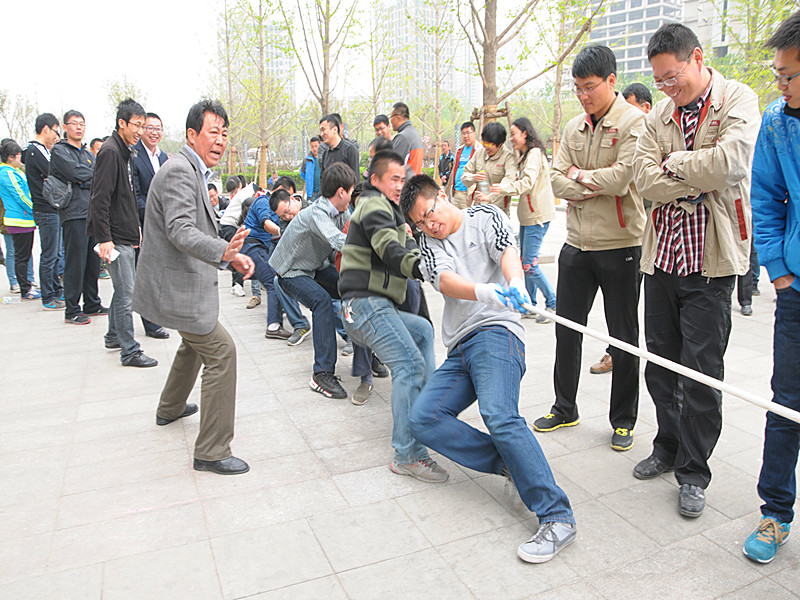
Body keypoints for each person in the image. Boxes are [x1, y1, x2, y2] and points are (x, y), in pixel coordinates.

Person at [400, 174, 577, 563]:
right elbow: (446, 281)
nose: (430, 225)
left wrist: (514, 282)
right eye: (421, 223)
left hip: (497, 332)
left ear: (442, 197)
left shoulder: (485, 216)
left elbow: (506, 251)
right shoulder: (429, 243)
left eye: (430, 214)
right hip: (461, 344)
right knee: (424, 419)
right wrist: (485, 291)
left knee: (499, 415)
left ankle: (556, 515)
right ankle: (511, 463)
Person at [632, 24, 761, 517]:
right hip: (661, 260)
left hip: (710, 266)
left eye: (673, 77)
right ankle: (666, 447)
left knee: (702, 375)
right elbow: (643, 179)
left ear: (697, 59)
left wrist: (676, 165)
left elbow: (730, 163)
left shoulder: (738, 100)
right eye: (659, 81)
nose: (666, 89)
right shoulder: (659, 115)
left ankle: (693, 472)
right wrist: (690, 177)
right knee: (661, 367)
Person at [534, 45, 646, 455]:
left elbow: (621, 179)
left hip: (620, 245)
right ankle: (565, 406)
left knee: (623, 336)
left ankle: (623, 420)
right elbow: (555, 181)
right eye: (578, 88)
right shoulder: (574, 128)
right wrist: (584, 182)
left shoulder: (635, 123)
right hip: (576, 244)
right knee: (568, 329)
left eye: (590, 87)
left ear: (611, 81)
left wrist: (578, 177)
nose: (583, 95)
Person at [133, 99, 254, 475]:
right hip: (175, 286)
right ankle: (212, 451)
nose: (220, 141)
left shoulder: (189, 169)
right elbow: (180, 229)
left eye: (224, 133)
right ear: (191, 135)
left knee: (194, 342)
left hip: (181, 283)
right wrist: (226, 253)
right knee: (221, 352)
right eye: (212, 132)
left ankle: (169, 407)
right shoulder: (180, 171)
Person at [339, 150, 449, 483]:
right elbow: (390, 248)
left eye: (403, 179)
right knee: (409, 365)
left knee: (422, 331)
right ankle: (408, 454)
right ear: (375, 180)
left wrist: (429, 259)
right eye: (394, 179)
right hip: (365, 305)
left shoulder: (392, 212)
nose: (400, 185)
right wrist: (422, 268)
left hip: (376, 307)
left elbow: (409, 247)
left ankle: (429, 413)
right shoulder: (373, 205)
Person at [741, 12, 800, 563]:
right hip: (797, 293)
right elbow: (765, 200)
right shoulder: (779, 123)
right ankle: (775, 513)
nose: (779, 86)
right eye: (777, 75)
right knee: (786, 403)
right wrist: (778, 271)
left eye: (787, 75)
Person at [269, 163, 357, 399]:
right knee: (322, 302)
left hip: (315, 267)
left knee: (353, 289)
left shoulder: (342, 213)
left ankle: (366, 356)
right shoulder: (317, 212)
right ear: (341, 192)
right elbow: (340, 241)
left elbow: (353, 232)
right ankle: (322, 374)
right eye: (350, 191)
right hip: (291, 271)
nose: (351, 197)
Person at [88, 99, 157, 368]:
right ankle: (129, 350)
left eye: (143, 125)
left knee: (122, 289)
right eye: (136, 125)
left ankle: (112, 335)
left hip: (126, 231)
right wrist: (105, 238)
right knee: (127, 291)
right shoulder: (110, 152)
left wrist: (136, 228)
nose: (140, 130)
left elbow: (127, 196)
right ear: (122, 123)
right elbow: (100, 199)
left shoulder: (126, 150)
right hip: (114, 236)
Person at [493, 117, 557, 323]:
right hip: (528, 216)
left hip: (537, 216)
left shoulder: (535, 154)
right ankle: (530, 305)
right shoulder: (524, 155)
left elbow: (527, 182)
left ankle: (553, 303)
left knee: (529, 264)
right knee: (525, 262)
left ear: (525, 134)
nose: (512, 139)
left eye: (514, 134)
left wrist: (503, 188)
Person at [50, 110, 105, 325]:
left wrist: (84, 177)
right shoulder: (59, 151)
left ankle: (92, 303)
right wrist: (85, 177)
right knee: (76, 262)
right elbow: (75, 173)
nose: (79, 127)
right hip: (73, 214)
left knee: (93, 262)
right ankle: (72, 309)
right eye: (74, 123)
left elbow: (96, 176)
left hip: (92, 213)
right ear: (65, 127)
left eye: (82, 123)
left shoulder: (87, 153)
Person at [131, 111, 171, 341]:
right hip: (143, 223)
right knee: (147, 274)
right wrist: (155, 214)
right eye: (150, 128)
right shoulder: (134, 157)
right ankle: (151, 323)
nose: (154, 132)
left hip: (164, 223)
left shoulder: (164, 158)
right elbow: (134, 194)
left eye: (158, 128)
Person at [22, 113, 63, 309]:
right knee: (49, 254)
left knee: (55, 253)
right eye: (55, 131)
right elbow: (53, 172)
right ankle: (48, 296)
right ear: (46, 129)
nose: (56, 136)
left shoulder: (43, 150)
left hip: (53, 208)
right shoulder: (33, 151)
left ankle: (56, 289)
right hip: (45, 209)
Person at [0, 139, 40, 300]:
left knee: (24, 254)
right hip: (18, 219)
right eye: (18, 156)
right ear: (11, 157)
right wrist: (33, 209)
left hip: (24, 219)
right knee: (21, 256)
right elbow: (19, 195)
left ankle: (27, 285)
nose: (20, 159)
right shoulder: (7, 173)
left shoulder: (15, 171)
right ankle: (25, 289)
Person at [460, 122, 516, 215]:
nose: (486, 147)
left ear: (500, 143)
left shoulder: (508, 157)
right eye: (484, 143)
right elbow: (464, 176)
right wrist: (474, 177)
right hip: (479, 208)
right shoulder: (479, 153)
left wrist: (490, 197)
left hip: (498, 211)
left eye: (490, 144)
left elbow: (509, 182)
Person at [318, 114, 359, 179]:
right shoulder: (325, 154)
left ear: (335, 129)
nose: (321, 134)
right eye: (321, 131)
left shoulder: (350, 149)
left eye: (323, 130)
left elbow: (356, 179)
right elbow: (322, 180)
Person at [446, 122, 477, 209]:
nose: (465, 136)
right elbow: (454, 170)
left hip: (468, 194)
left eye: (468, 133)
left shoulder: (479, 150)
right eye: (463, 133)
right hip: (456, 193)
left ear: (474, 133)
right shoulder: (460, 150)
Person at [389, 102, 423, 175]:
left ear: (398, 117)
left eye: (391, 117)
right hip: (415, 183)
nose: (390, 120)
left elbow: (393, 168)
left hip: (405, 184)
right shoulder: (415, 134)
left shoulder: (403, 137)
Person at [300, 136, 321, 201]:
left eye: (316, 146)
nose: (314, 148)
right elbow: (302, 173)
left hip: (323, 192)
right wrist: (308, 179)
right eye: (312, 146)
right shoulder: (307, 160)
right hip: (312, 193)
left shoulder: (324, 158)